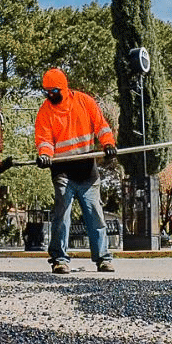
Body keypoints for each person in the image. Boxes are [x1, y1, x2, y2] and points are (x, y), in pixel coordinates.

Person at [33, 69, 118, 274]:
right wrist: (45, 154)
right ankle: (59, 259)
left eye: (54, 91)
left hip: (86, 170)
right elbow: (44, 138)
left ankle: (103, 259)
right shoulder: (45, 111)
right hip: (62, 171)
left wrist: (108, 143)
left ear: (64, 88)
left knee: (95, 215)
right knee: (62, 215)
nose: (50, 95)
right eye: (47, 92)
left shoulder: (84, 101)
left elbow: (101, 126)